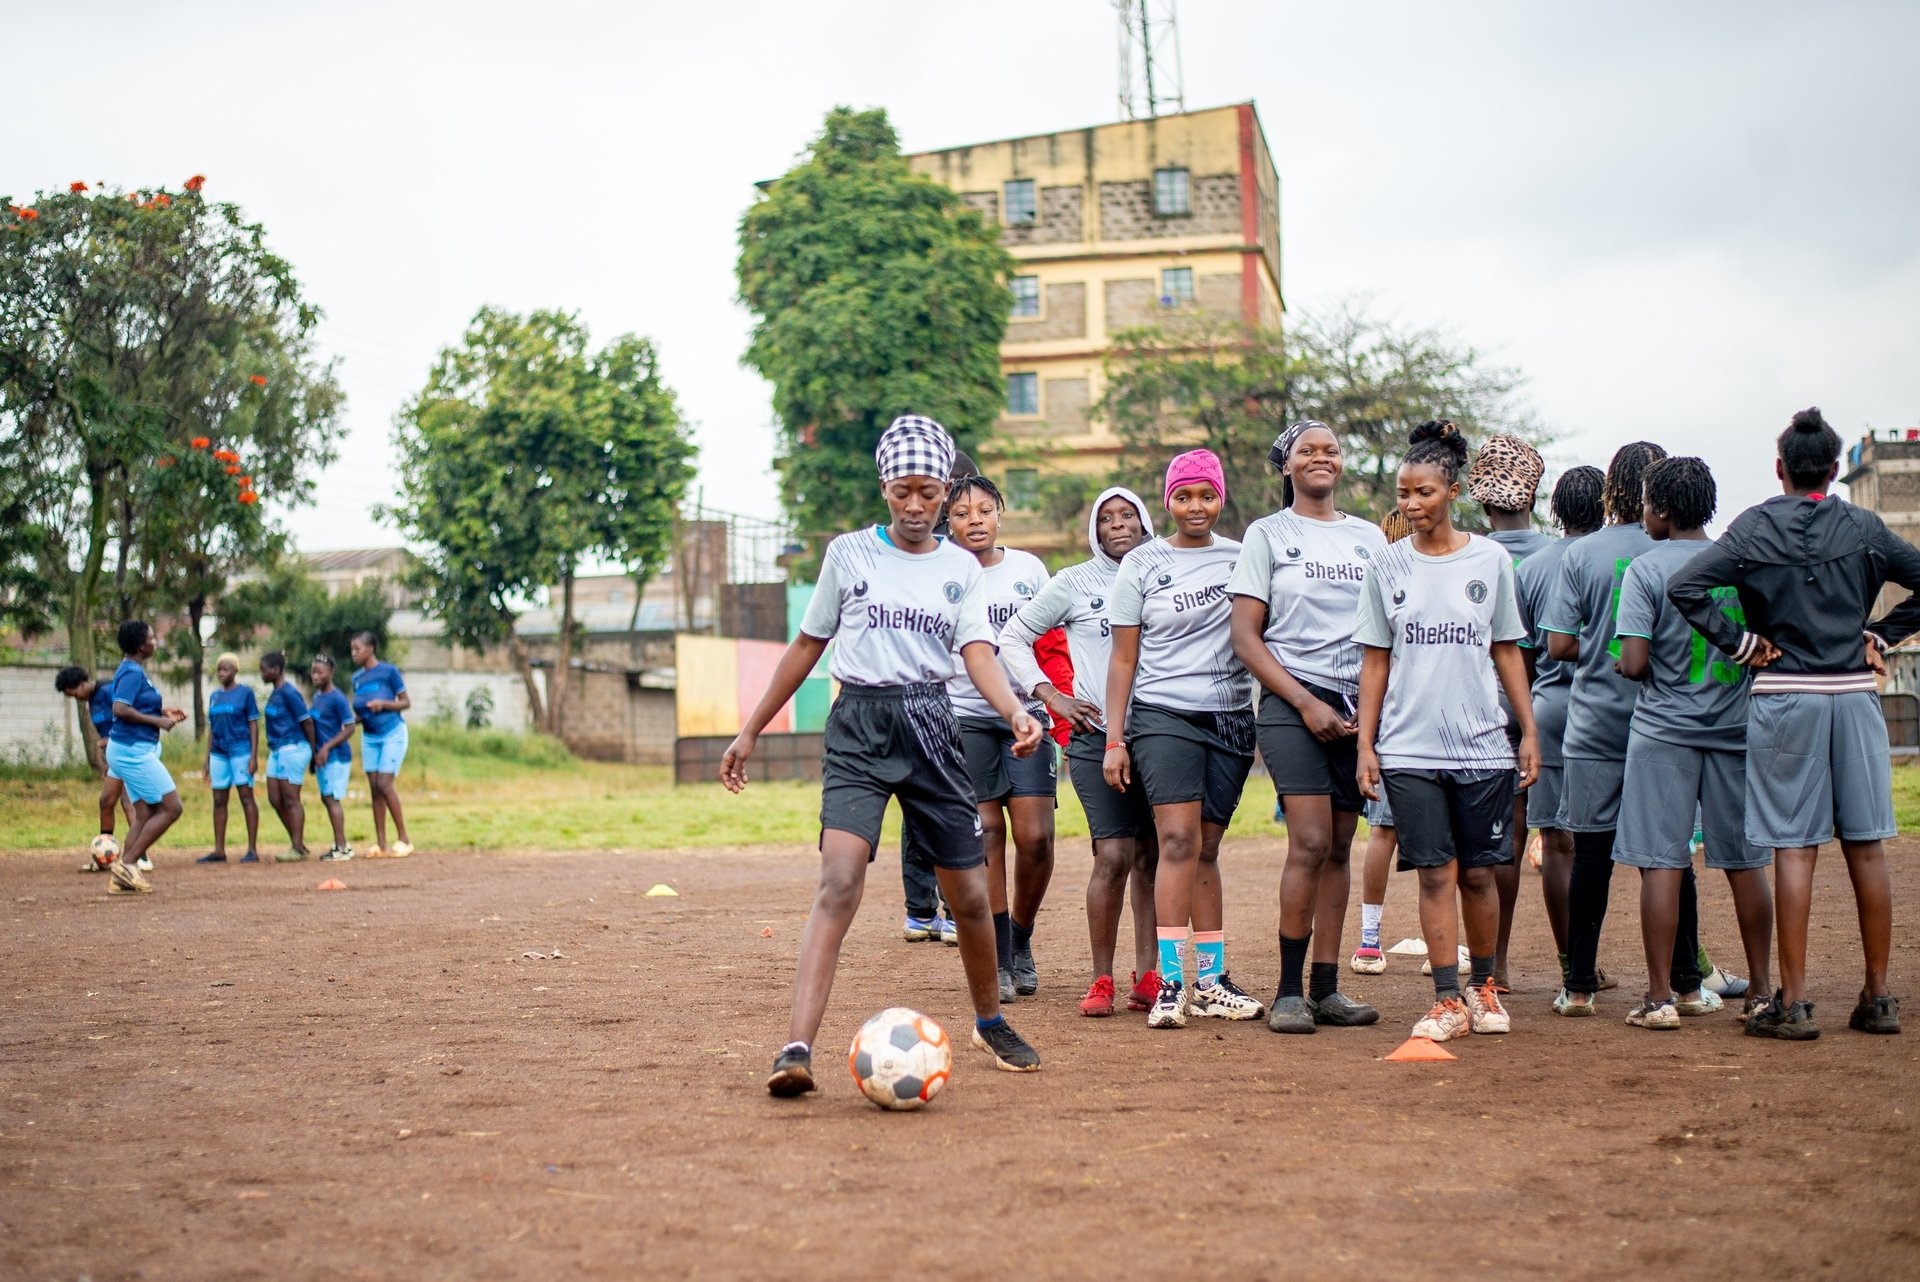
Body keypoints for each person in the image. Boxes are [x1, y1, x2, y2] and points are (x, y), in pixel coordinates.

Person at [722, 415, 1043, 1096]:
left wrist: (1015, 708)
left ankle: (990, 1020)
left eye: (929, 492)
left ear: (947, 488)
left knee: (971, 896)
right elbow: (809, 644)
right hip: (860, 727)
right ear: (884, 487)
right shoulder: (849, 554)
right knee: (839, 881)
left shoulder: (961, 568)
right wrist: (751, 728)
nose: (917, 506)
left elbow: (977, 653)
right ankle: (796, 1048)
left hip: (932, 722)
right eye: (903, 492)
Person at [1669, 408, 1920, 1039]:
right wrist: (1881, 636)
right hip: (1855, 697)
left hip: (1783, 697)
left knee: (1793, 847)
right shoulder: (1863, 527)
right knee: (1866, 846)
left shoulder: (1753, 528)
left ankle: (1796, 1003)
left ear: (1779, 469)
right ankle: (1879, 996)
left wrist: (1742, 644)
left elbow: (1687, 587)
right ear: (1834, 471)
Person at [1353, 421, 1539, 1044]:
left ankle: (1484, 987)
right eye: (1403, 493)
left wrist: (1529, 734)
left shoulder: (1490, 559)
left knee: (1478, 873)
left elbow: (1508, 651)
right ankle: (1445, 998)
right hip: (1408, 749)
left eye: (1424, 493)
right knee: (1433, 872)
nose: (1411, 505)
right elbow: (1374, 661)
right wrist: (1366, 744)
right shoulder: (1385, 565)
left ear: (1452, 492)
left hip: (1483, 746)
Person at [1541, 442, 1723, 1017]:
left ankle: (1577, 986)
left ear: (1613, 489)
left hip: (1595, 720)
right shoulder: (1690, 556)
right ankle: (1687, 979)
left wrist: (1603, 643)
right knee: (1667, 858)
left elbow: (1559, 644)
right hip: (1671, 723)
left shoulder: (1582, 553)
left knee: (1591, 854)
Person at [1228, 421, 1384, 1033]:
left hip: (1356, 705)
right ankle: (1289, 991)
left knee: (1343, 846)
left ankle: (1327, 989)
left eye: (1331, 451)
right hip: (1293, 703)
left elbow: (1384, 630)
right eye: (1306, 451)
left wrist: (1367, 712)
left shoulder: (1370, 538)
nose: (1321, 458)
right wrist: (1304, 703)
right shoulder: (1267, 535)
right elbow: (1245, 637)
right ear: (1286, 465)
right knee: (1312, 841)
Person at [1105, 448, 1265, 1029]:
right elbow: (1123, 660)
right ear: (1166, 501)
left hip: (1228, 718)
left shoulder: (1246, 557)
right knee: (1176, 841)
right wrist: (1115, 739)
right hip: (1161, 715)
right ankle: (1171, 983)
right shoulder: (1142, 564)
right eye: (1182, 495)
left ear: (1220, 498)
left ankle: (1212, 980)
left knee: (1208, 847)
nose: (1195, 506)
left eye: (1206, 494)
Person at [1613, 457, 1775, 1028]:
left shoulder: (1644, 569)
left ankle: (1660, 998)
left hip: (1664, 732)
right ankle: (1760, 990)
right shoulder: (1740, 567)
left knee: (1662, 861)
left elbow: (1632, 663)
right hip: (1736, 730)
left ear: (1657, 509)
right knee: (1746, 862)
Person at [1001, 486, 1162, 1017]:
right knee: (1113, 855)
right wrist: (1050, 696)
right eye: (1107, 519)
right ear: (1094, 530)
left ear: (1144, 522)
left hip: (1162, 732)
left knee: (1152, 856)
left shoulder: (1166, 571)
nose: (1118, 525)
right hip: (1096, 738)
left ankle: (1150, 975)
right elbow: (1012, 638)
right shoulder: (1072, 582)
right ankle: (1102, 978)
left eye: (1128, 515)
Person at [921, 475, 1059, 1001]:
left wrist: (1054, 705)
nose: (973, 520)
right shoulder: (939, 573)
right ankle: (1000, 956)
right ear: (947, 523)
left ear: (1000, 512)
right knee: (986, 832)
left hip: (1026, 716)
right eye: (960, 513)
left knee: (1035, 837)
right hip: (963, 715)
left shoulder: (1029, 570)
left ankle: (1021, 937)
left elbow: (1048, 645)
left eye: (983, 510)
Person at [1512, 466, 1605, 985]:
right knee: (1643, 845)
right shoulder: (1618, 555)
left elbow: (1521, 656)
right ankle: (1685, 967)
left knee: (1558, 841)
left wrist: (1528, 716)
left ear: (1557, 510)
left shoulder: (1532, 567)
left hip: (1549, 708)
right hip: (1616, 707)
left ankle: (1574, 965)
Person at [1466, 434, 1553, 992]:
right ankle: (1549, 966)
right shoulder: (1556, 554)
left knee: (1491, 841)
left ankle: (1486, 962)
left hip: (1478, 711)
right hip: (1546, 708)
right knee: (1543, 840)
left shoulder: (1465, 551)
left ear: (1479, 497)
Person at [1351, 509, 1411, 974]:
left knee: (1382, 832)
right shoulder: (1397, 577)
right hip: (1406, 723)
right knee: (1448, 838)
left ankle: (1369, 939)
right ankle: (1453, 947)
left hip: (1390, 723)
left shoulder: (1377, 576)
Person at [102, 620, 188, 892]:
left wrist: (163, 713)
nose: (156, 642)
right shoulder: (132, 672)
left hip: (130, 749)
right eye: (152, 638)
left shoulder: (134, 671)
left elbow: (134, 707)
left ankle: (122, 877)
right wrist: (157, 723)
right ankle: (127, 864)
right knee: (172, 808)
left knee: (145, 813)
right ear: (141, 645)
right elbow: (120, 708)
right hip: (132, 752)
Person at [54, 666, 137, 869]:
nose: (76, 699)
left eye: (74, 694)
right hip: (113, 759)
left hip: (128, 752)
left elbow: (129, 717)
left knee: (127, 802)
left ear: (81, 683)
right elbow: (103, 733)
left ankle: (139, 855)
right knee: (106, 801)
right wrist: (105, 761)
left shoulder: (109, 691)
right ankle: (104, 855)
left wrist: (112, 740)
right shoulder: (91, 702)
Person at [350, 632, 414, 858]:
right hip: (369, 737)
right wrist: (349, 722)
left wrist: (383, 704)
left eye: (357, 649)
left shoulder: (389, 672)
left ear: (370, 649)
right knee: (375, 789)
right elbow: (361, 710)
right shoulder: (356, 678)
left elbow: (406, 702)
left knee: (385, 785)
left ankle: (404, 840)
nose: (354, 653)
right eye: (352, 650)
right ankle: (381, 844)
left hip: (392, 734)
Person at [199, 652, 261, 864]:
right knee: (218, 799)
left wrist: (253, 756)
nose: (222, 673)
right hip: (218, 752)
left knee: (246, 797)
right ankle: (219, 850)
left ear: (235, 671)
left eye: (226, 669)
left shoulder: (245, 693)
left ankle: (252, 849)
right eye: (219, 669)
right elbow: (211, 729)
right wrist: (207, 759)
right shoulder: (214, 696)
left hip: (241, 751)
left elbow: (253, 724)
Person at [259, 651, 317, 862]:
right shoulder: (275, 693)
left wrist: (314, 753)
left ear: (275, 670)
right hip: (276, 750)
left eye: (264, 670)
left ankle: (296, 847)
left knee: (291, 799)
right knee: (275, 798)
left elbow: (307, 722)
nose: (262, 674)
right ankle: (298, 842)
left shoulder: (290, 693)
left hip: (294, 748)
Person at [309, 654, 358, 861]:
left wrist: (327, 747)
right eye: (313, 671)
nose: (315, 676)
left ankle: (342, 847)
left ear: (331, 673)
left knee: (332, 798)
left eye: (320, 671)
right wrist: (315, 755)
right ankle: (339, 844)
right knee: (326, 797)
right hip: (322, 757)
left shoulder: (337, 698)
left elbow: (350, 727)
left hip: (337, 756)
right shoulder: (317, 697)